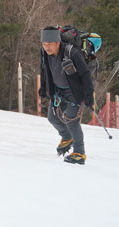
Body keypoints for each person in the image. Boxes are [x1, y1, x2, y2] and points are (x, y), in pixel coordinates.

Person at [39, 26, 95, 165]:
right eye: (45, 44)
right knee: (52, 118)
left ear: (58, 42)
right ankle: (66, 137)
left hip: (74, 91)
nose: (47, 47)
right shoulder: (44, 53)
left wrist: (89, 96)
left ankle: (79, 153)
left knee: (72, 121)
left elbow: (85, 74)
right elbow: (44, 70)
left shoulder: (72, 53)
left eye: (50, 44)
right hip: (57, 90)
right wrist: (43, 87)